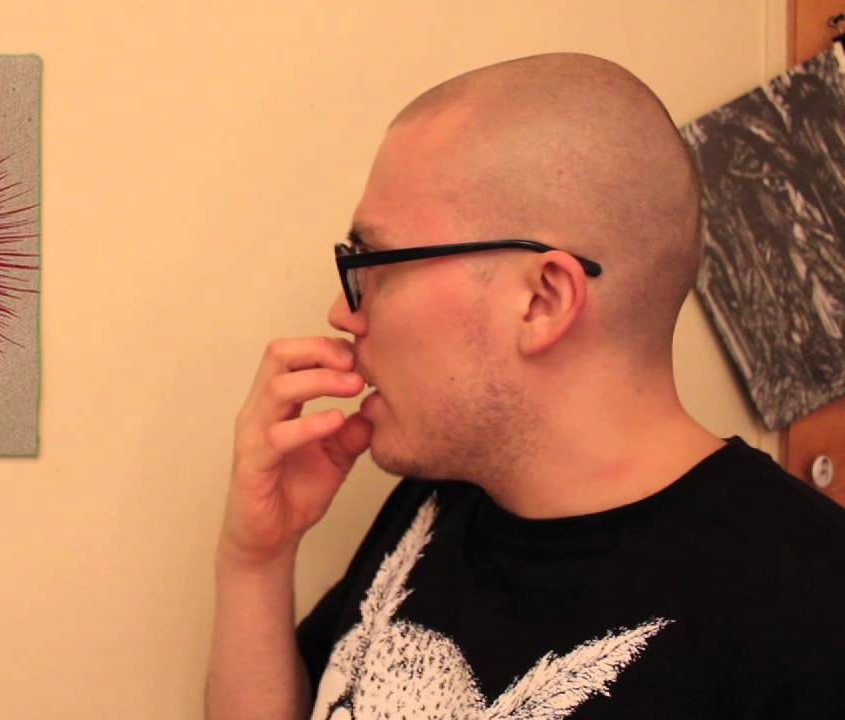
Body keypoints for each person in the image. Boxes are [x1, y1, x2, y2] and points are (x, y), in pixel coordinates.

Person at [205, 52, 845, 718]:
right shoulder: (435, 504)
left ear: (543, 300)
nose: (344, 312)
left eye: (374, 263)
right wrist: (256, 559)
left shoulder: (813, 620)